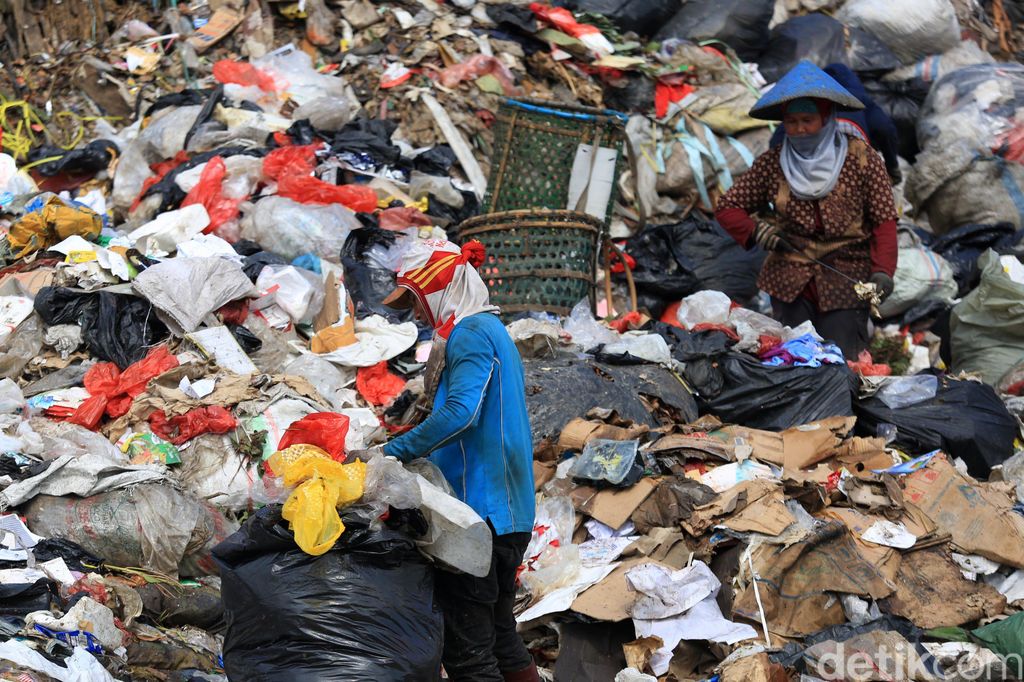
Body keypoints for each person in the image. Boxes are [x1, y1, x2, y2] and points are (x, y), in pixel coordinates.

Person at [369, 238, 538, 682]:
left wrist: (393, 451)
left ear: (438, 287)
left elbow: (461, 414)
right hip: (508, 513)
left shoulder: (472, 333)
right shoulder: (489, 330)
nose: (417, 313)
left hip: (480, 517)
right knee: (501, 634)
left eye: (416, 300)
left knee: (469, 655)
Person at [715, 61, 899, 358]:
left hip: (846, 278)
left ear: (827, 119)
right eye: (792, 122)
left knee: (841, 361)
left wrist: (883, 272)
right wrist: (758, 232)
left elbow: (883, 221)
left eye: (808, 121)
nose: (799, 130)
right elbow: (728, 207)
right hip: (789, 280)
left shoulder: (862, 158)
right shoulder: (773, 162)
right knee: (792, 358)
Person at [767, 62, 903, 185]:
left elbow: (778, 139)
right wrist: (892, 168)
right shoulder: (861, 100)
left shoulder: (808, 103)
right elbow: (885, 129)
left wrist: (776, 172)